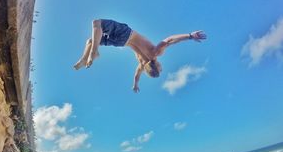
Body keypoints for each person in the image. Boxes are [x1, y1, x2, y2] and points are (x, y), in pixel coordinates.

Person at [74, 19, 207, 92]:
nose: (162, 66)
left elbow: (169, 40)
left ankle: (92, 53)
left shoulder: (155, 53)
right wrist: (135, 85)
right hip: (120, 43)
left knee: (97, 24)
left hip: (126, 34)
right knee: (92, 40)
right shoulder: (141, 65)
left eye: (161, 68)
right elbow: (136, 76)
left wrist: (189, 36)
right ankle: (88, 55)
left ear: (157, 65)